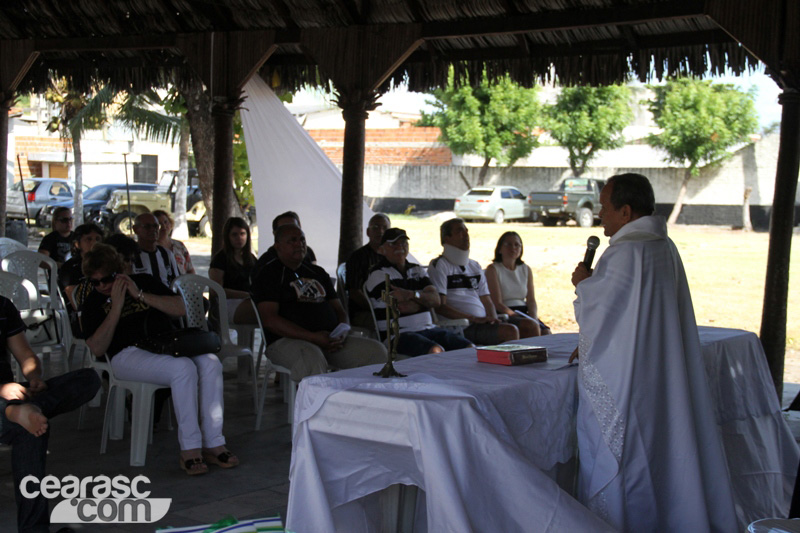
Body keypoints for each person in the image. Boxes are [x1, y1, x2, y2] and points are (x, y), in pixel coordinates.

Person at [569, 173, 736, 531]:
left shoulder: (624, 253)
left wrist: (584, 285)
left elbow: (600, 313)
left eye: (604, 207)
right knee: (664, 450)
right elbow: (632, 319)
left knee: (625, 457)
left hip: (629, 382)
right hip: (662, 372)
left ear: (626, 212)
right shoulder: (664, 247)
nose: (600, 215)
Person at [81, 244, 237, 475]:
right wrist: (116, 307)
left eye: (108, 278)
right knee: (183, 368)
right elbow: (96, 347)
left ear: (119, 272)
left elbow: (181, 308)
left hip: (164, 346)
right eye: (96, 282)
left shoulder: (144, 282)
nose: (103, 285)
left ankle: (213, 442)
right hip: (126, 355)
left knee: (210, 362)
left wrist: (140, 295)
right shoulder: (93, 302)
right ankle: (190, 448)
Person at [0, 295, 100, 532]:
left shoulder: (2, 306)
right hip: (6, 395)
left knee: (87, 379)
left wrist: (34, 377)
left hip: (13, 396)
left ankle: (25, 409)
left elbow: (25, 355)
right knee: (30, 429)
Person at [252, 224, 387, 382]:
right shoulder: (269, 274)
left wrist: (343, 330)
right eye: (292, 240)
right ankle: (317, 399)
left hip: (330, 340)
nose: (299, 244)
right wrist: (312, 337)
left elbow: (340, 310)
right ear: (278, 246)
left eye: (302, 239)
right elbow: (270, 320)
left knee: (376, 352)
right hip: (287, 341)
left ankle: (364, 397)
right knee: (311, 358)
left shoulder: (317, 272)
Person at [365, 228, 473, 356]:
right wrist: (424, 301)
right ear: (381, 249)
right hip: (398, 334)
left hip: (429, 329)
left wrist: (411, 295)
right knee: (436, 351)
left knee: (469, 348)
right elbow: (402, 307)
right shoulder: (378, 274)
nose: (400, 247)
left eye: (403, 243)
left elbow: (436, 300)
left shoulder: (417, 270)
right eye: (393, 244)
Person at [428, 218, 519, 345]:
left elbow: (487, 301)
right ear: (446, 238)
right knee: (510, 331)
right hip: (460, 326)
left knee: (527, 326)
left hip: (481, 323)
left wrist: (493, 320)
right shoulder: (439, 265)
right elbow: (440, 307)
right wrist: (473, 318)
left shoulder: (475, 266)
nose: (466, 235)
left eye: (466, 231)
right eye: (460, 232)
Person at [484, 231, 545, 338]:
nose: (513, 248)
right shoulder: (493, 269)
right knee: (531, 327)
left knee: (545, 332)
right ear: (500, 249)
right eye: (508, 244)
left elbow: (531, 300)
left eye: (517, 245)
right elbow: (496, 302)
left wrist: (533, 316)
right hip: (505, 312)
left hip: (523, 312)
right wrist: (514, 314)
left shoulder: (525, 269)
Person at [209, 217, 258, 324]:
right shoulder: (220, 259)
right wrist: (246, 295)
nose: (239, 238)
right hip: (226, 304)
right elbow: (215, 290)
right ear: (228, 237)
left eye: (242, 234)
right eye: (234, 235)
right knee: (261, 308)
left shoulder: (251, 259)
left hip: (248, 301)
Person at [345, 213, 391, 327]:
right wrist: (376, 308)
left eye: (385, 228)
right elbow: (354, 292)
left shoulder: (392, 256)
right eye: (376, 227)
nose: (380, 231)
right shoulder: (357, 257)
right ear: (368, 232)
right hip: (365, 312)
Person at [251, 211, 317, 282]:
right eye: (285, 229)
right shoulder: (265, 266)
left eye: (294, 227)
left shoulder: (315, 269)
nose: (299, 244)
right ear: (275, 234)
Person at [131, 212, 180, 288]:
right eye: (147, 226)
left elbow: (177, 282)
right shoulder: (130, 256)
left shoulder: (166, 254)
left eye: (155, 226)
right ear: (135, 229)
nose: (153, 229)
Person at [58, 223, 103, 303]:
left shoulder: (106, 263)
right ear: (77, 244)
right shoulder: (70, 267)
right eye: (89, 239)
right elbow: (74, 299)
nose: (94, 243)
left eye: (97, 239)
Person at [153, 209, 195, 275]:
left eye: (165, 222)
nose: (164, 226)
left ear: (170, 223)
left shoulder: (179, 245)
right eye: (159, 224)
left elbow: (190, 269)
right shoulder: (152, 247)